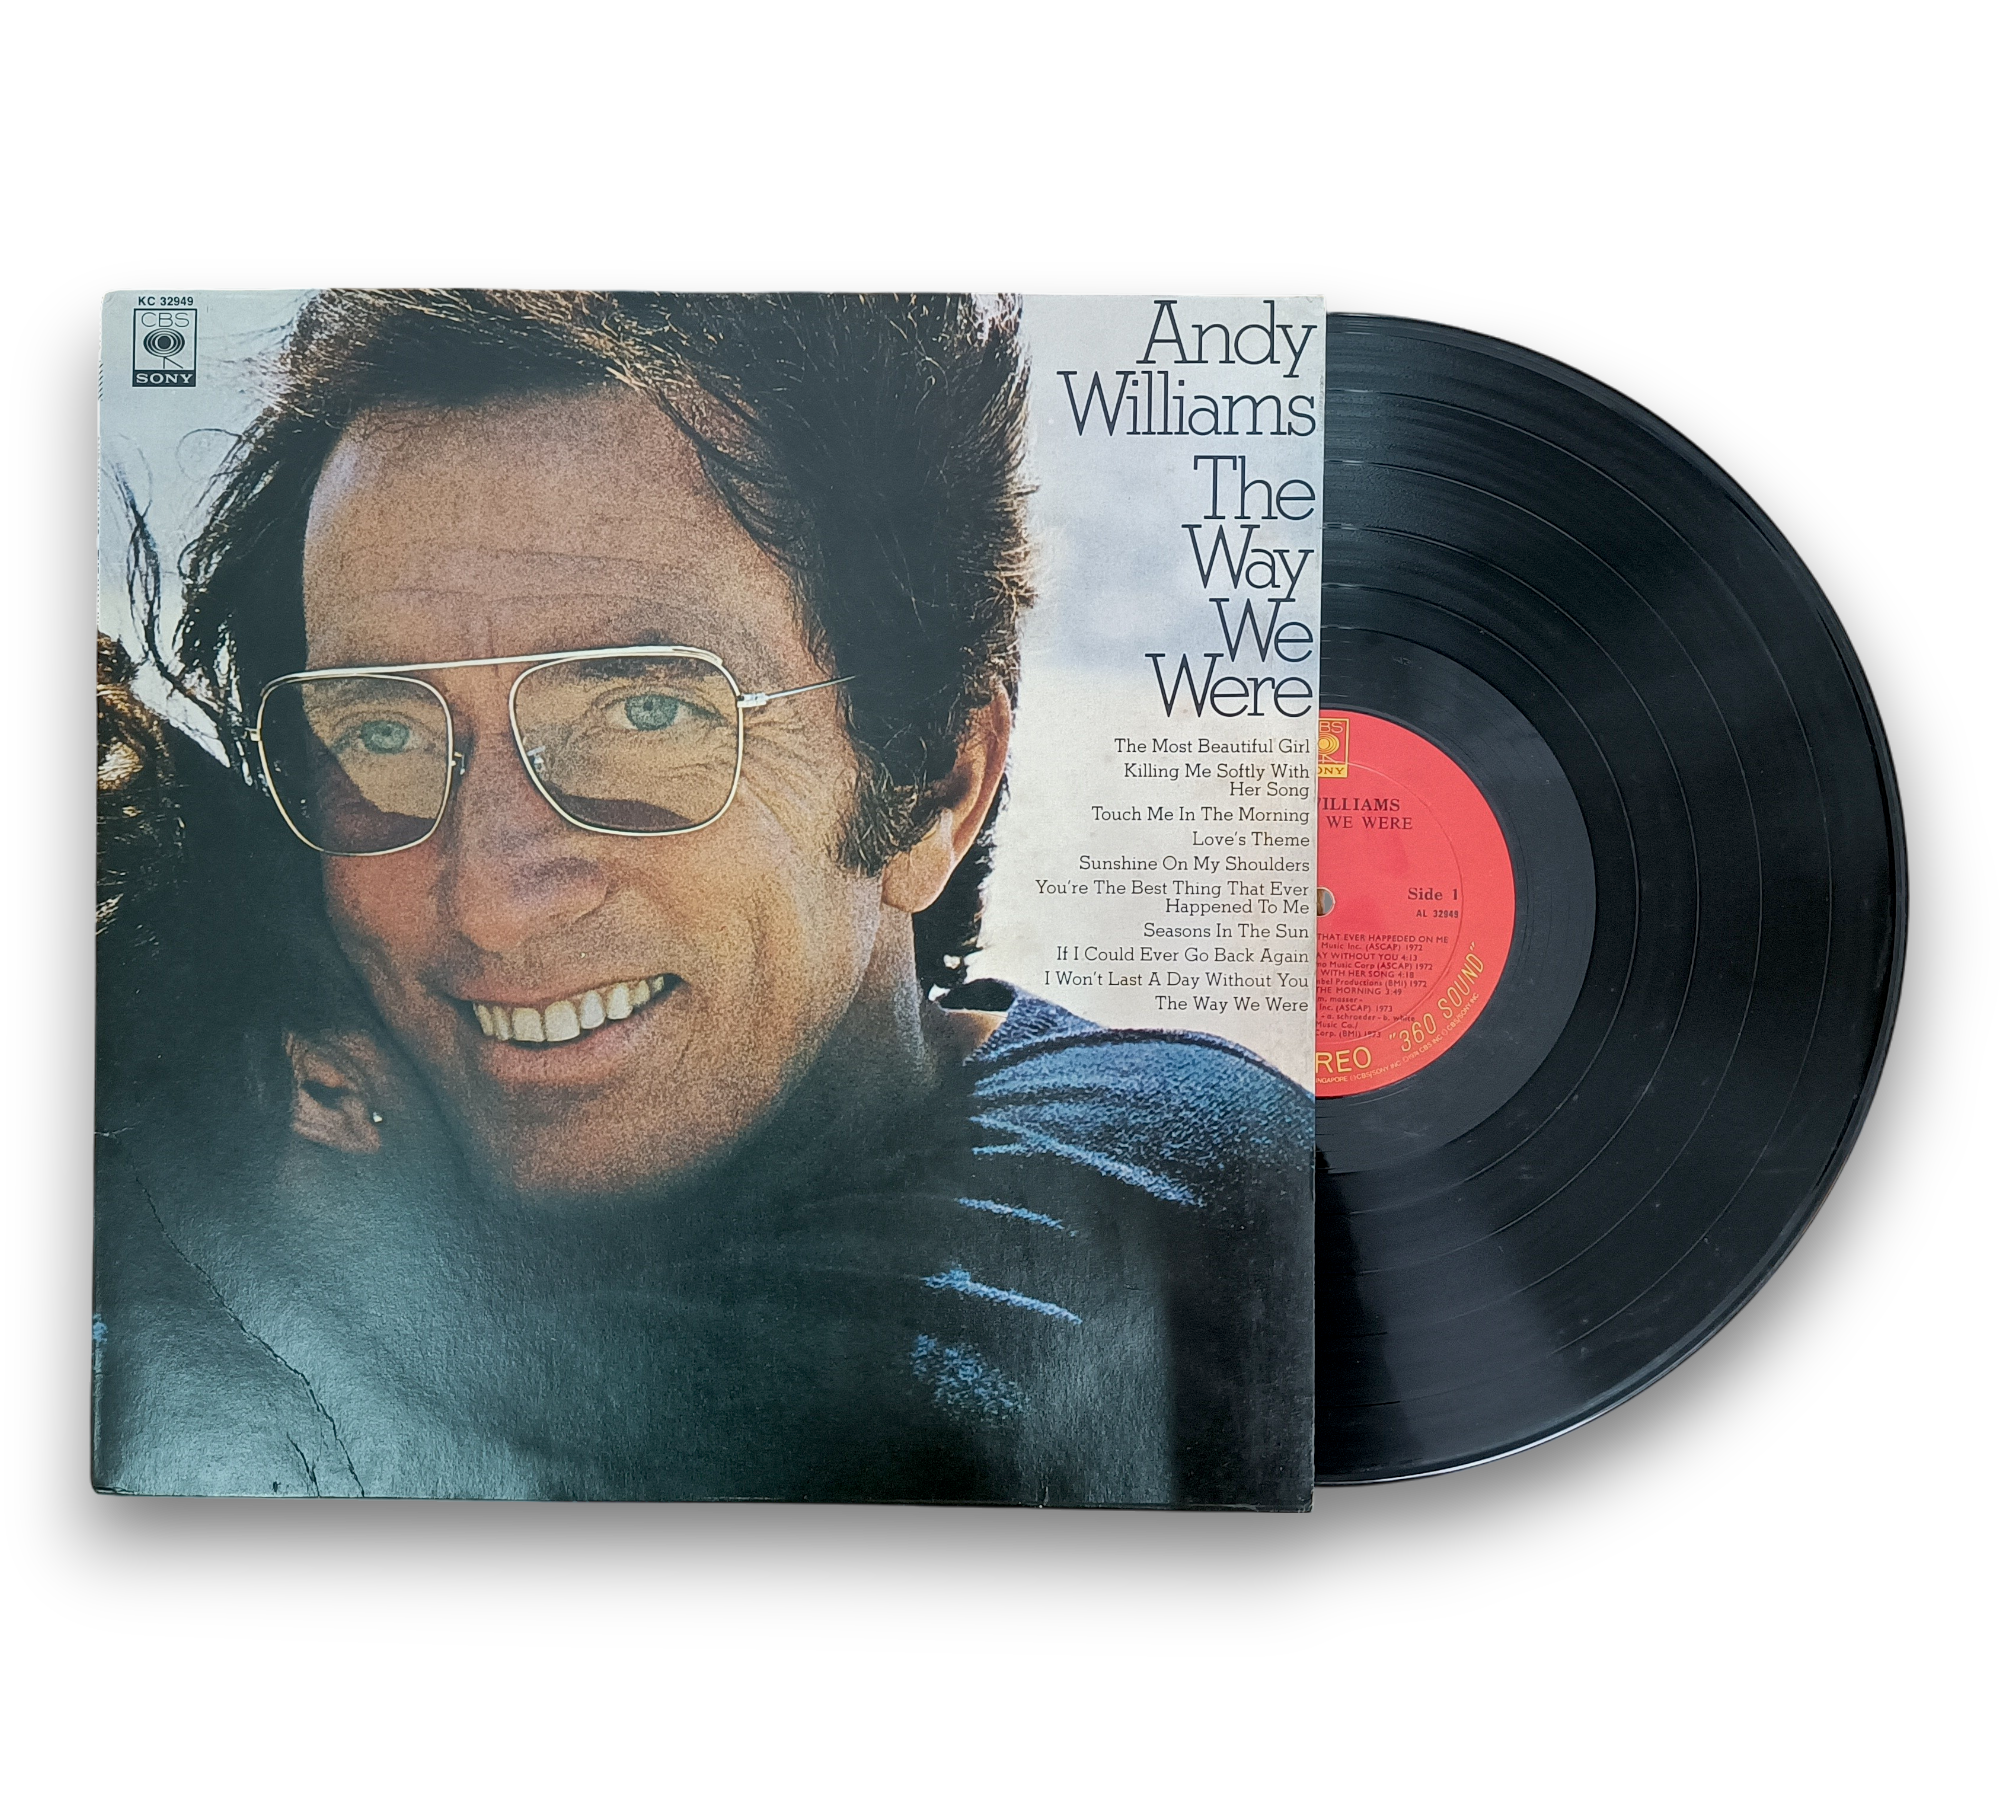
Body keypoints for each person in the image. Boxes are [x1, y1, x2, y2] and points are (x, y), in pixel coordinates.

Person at [96, 290, 1312, 1503]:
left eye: (646, 714)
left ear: (932, 786)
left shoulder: (1157, 1171)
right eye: (381, 732)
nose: (492, 901)